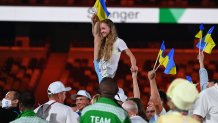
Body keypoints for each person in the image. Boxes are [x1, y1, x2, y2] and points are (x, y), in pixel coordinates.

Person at [91, 14, 138, 82]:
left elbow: (131, 56)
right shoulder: (102, 39)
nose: (101, 31)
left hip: (108, 74)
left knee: (97, 37)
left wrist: (134, 65)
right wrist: (93, 23)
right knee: (97, 37)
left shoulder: (118, 41)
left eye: (103, 28)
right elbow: (96, 34)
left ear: (110, 28)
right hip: (100, 67)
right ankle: (96, 18)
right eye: (100, 29)